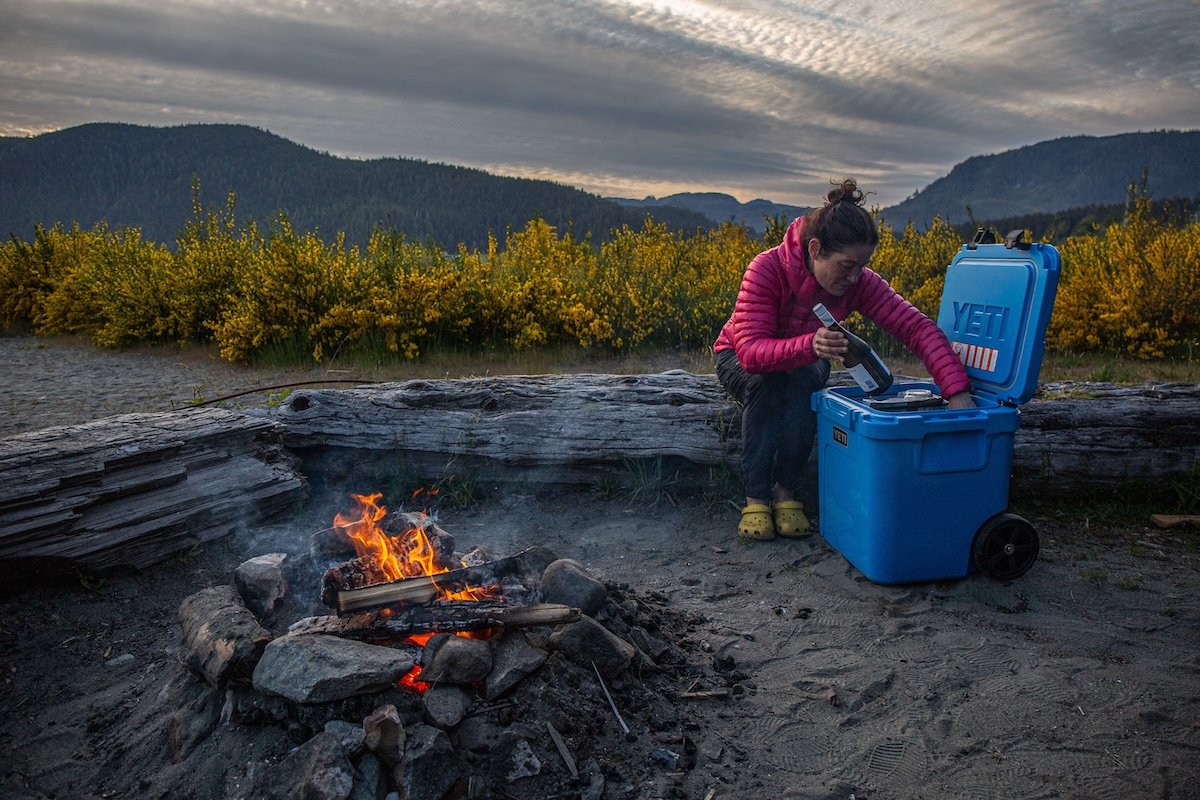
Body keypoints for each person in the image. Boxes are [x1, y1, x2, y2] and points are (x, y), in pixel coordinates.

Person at [713, 179, 975, 540]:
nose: (854, 278)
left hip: (806, 357)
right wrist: (810, 344)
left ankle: (785, 493)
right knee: (767, 383)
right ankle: (756, 498)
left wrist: (957, 391)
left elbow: (917, 328)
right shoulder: (766, 269)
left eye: (861, 267)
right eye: (846, 266)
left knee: (805, 386)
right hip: (738, 355)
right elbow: (751, 353)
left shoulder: (859, 282)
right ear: (816, 249)